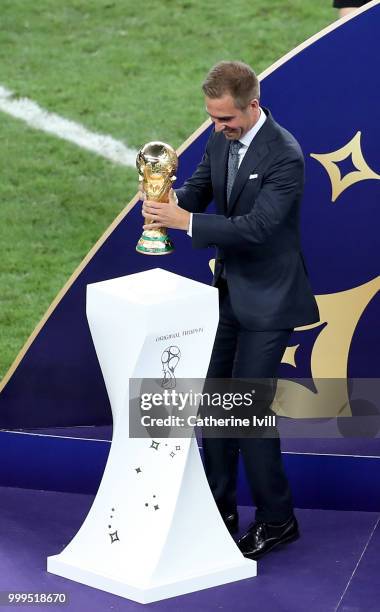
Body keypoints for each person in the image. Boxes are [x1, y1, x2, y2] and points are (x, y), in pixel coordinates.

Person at [141, 60, 320, 559]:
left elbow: (258, 228)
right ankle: (218, 509)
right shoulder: (221, 138)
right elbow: (200, 188)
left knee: (245, 414)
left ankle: (278, 519)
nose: (219, 128)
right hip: (228, 295)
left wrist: (186, 222)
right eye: (214, 119)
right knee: (215, 407)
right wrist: (165, 200)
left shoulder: (285, 155)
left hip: (269, 301)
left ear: (252, 105)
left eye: (226, 120)